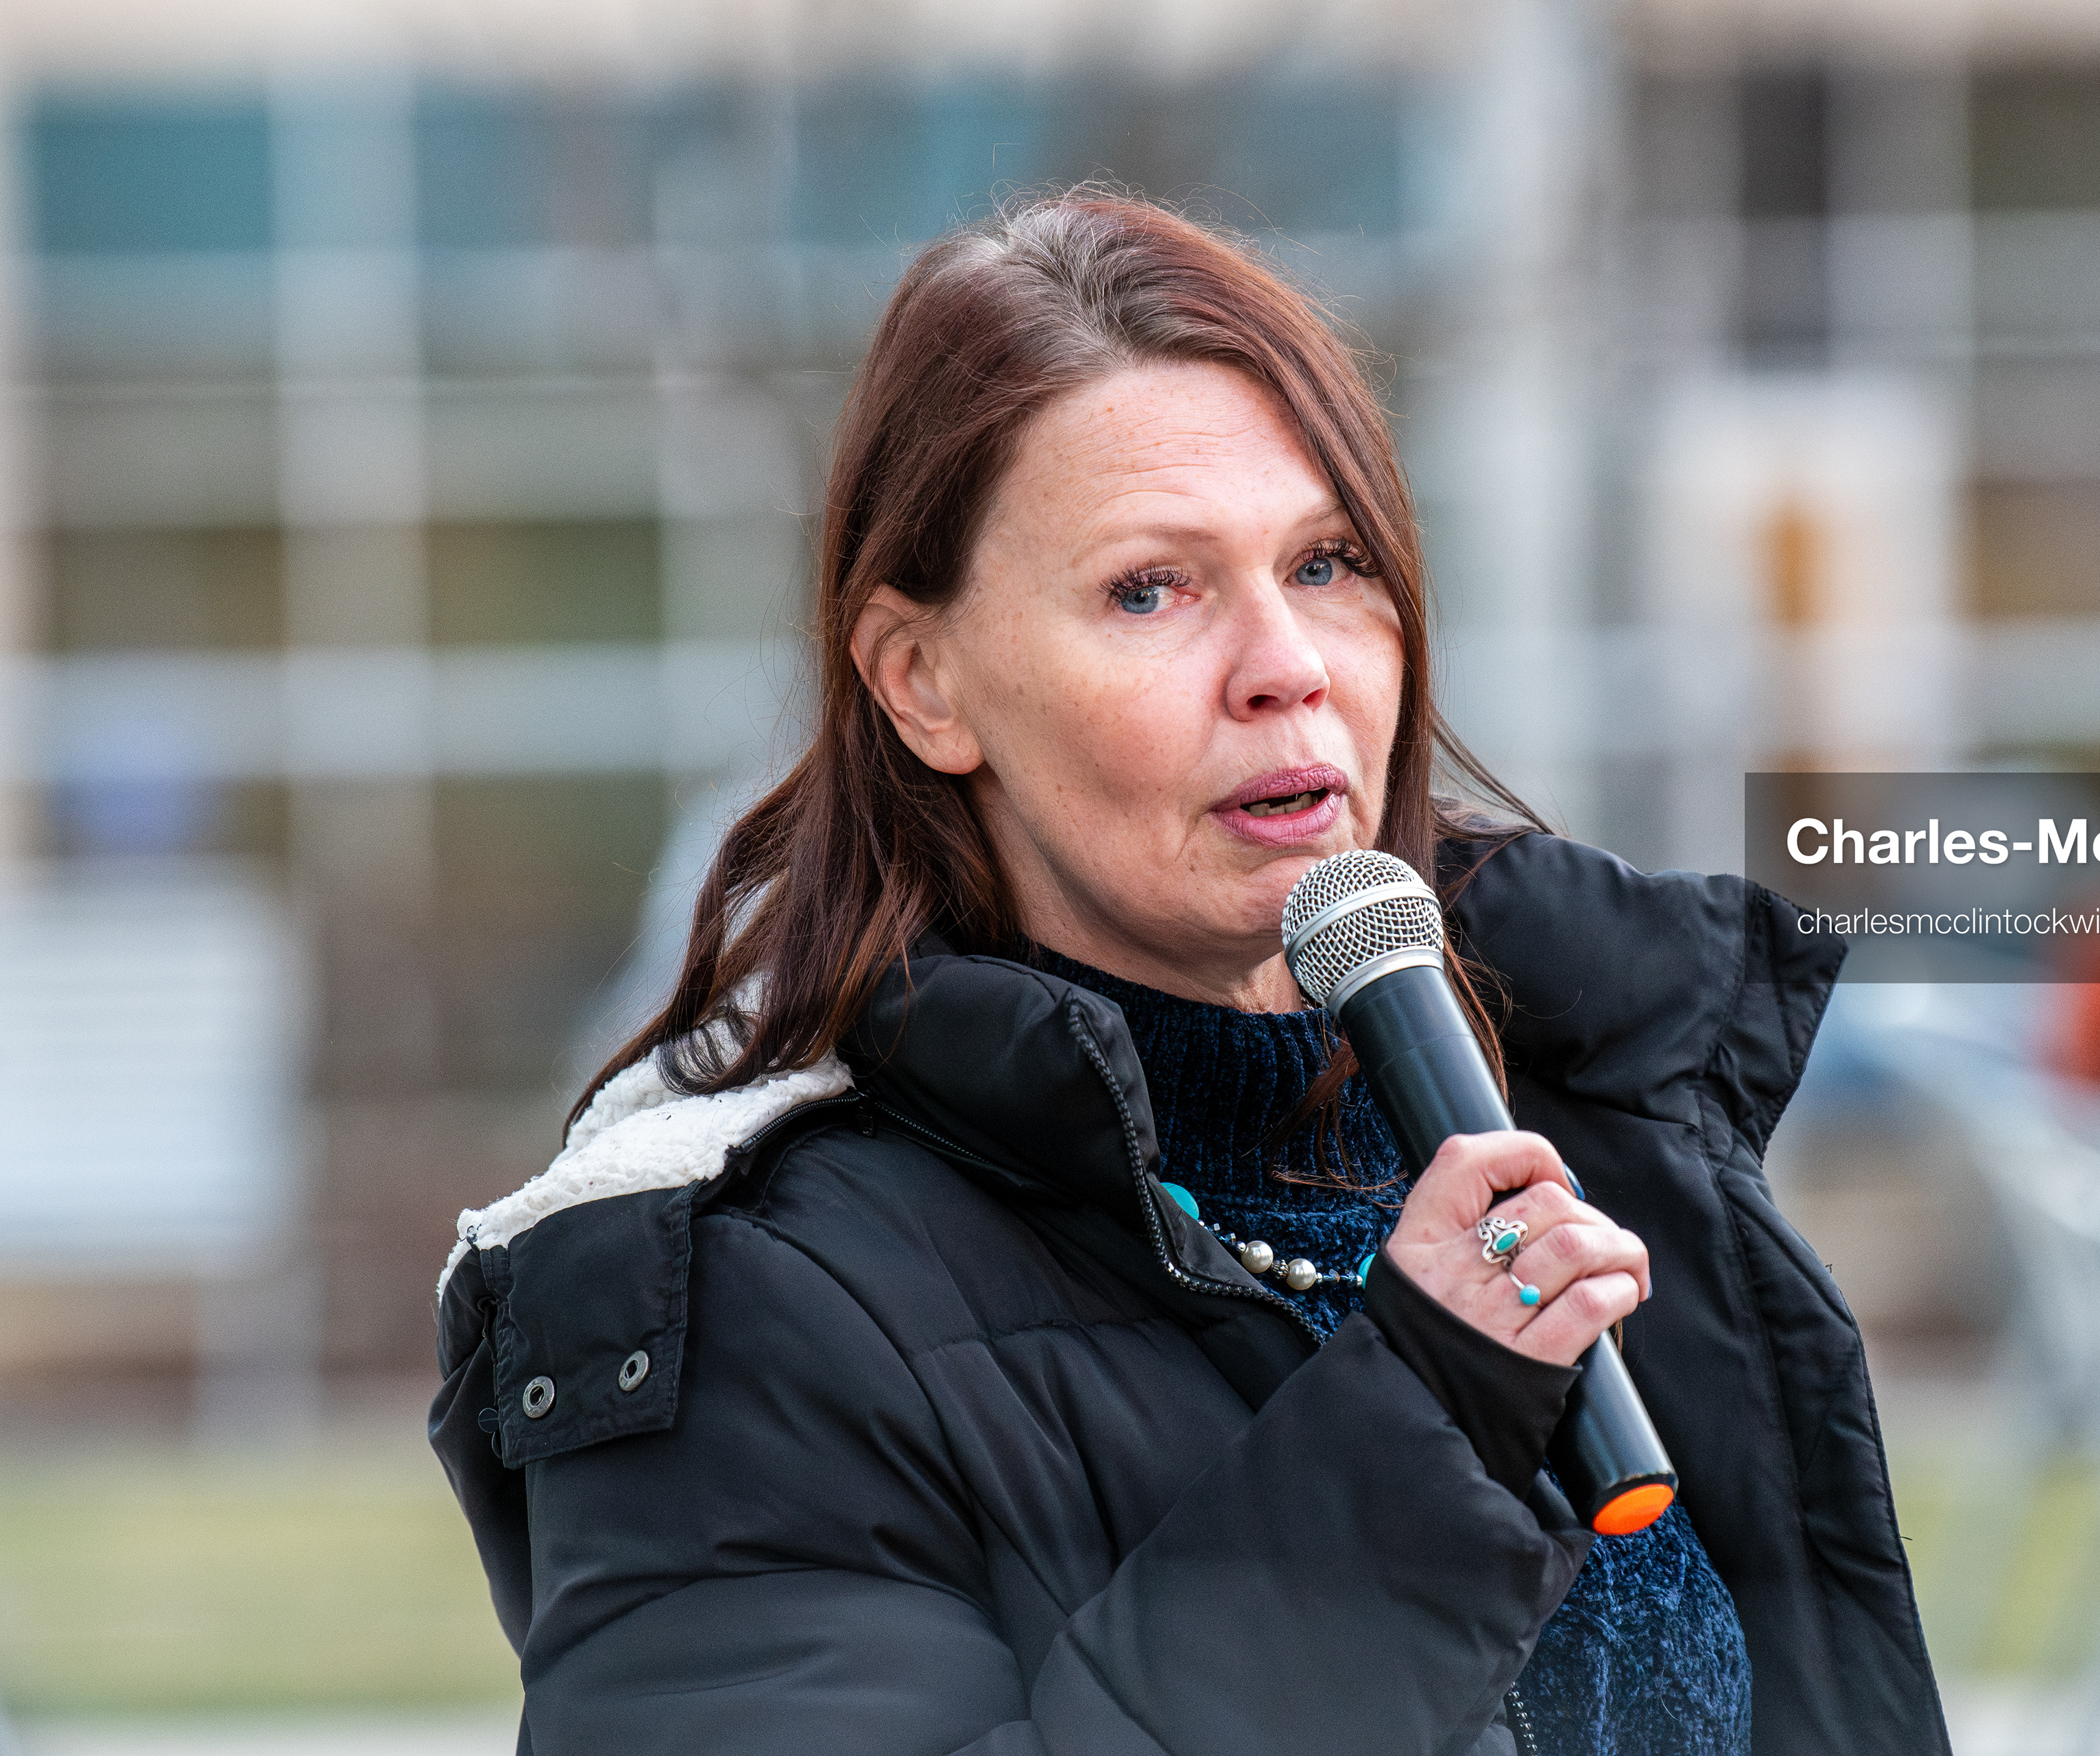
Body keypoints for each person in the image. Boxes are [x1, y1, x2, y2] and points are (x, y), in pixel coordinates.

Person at [431, 192, 1946, 1756]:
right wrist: (1423, 1420)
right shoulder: (757, 1308)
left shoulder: (1584, 1120)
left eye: (1330, 561)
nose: (1285, 660)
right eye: (1150, 588)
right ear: (922, 679)